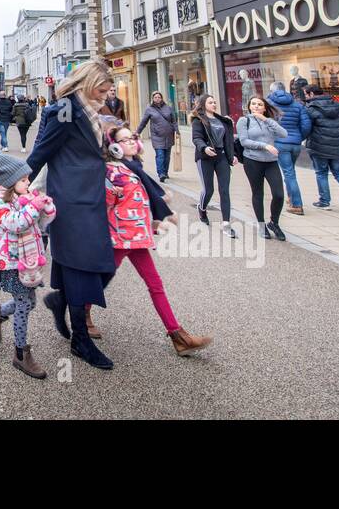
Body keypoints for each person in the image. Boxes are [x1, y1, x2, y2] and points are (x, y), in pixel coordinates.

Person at [26, 61, 117, 371]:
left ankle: (61, 300)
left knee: (95, 263)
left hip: (90, 197)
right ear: (87, 83)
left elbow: (93, 151)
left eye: (108, 91)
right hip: (70, 199)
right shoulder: (64, 110)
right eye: (102, 90)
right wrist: (16, 185)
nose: (107, 96)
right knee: (84, 265)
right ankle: (80, 338)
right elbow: (41, 151)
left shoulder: (92, 112)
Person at [100, 128, 212, 355]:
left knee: (155, 285)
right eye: (125, 139)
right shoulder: (112, 171)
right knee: (101, 280)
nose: (132, 142)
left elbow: (141, 201)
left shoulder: (137, 169)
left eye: (133, 138)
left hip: (138, 237)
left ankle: (178, 336)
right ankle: (75, 309)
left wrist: (154, 221)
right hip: (121, 237)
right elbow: (107, 201)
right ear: (114, 146)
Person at [0, 148, 56, 379]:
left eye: (28, 179)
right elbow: (15, 224)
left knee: (29, 302)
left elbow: (42, 223)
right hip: (12, 262)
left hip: (28, 260)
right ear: (11, 181)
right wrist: (33, 207)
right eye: (24, 180)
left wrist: (46, 207)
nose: (28, 182)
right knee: (25, 303)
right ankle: (21, 353)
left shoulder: (23, 197)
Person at [236, 96, 287, 240]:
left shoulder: (269, 122)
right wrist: (265, 146)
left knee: (278, 194)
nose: (256, 106)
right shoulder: (244, 121)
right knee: (258, 193)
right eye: (253, 104)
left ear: (264, 108)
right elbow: (244, 141)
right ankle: (262, 225)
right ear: (249, 106)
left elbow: (284, 134)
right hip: (253, 161)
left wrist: (266, 120)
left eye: (259, 104)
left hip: (271, 162)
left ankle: (274, 223)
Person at [191, 94, 237, 238]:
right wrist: (204, 148)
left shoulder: (222, 121)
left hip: (221, 157)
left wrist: (232, 155)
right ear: (204, 104)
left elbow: (228, 140)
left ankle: (226, 224)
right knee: (208, 190)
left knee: (224, 190)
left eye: (215, 102)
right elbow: (196, 138)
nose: (214, 104)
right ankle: (202, 208)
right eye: (211, 102)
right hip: (205, 157)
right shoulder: (198, 120)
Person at [266, 81, 311, 215]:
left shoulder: (269, 104)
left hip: (280, 142)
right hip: (295, 143)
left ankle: (297, 205)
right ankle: (291, 198)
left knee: (289, 173)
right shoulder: (297, 104)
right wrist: (299, 137)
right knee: (290, 171)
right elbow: (306, 125)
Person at [135, 91, 177, 182]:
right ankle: (161, 174)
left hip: (169, 135)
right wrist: (137, 132)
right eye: (155, 97)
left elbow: (174, 121)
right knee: (160, 155)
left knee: (167, 156)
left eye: (159, 97)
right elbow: (143, 122)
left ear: (162, 98)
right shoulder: (149, 109)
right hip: (157, 136)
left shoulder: (168, 108)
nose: (157, 99)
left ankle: (165, 172)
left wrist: (177, 131)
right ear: (153, 99)